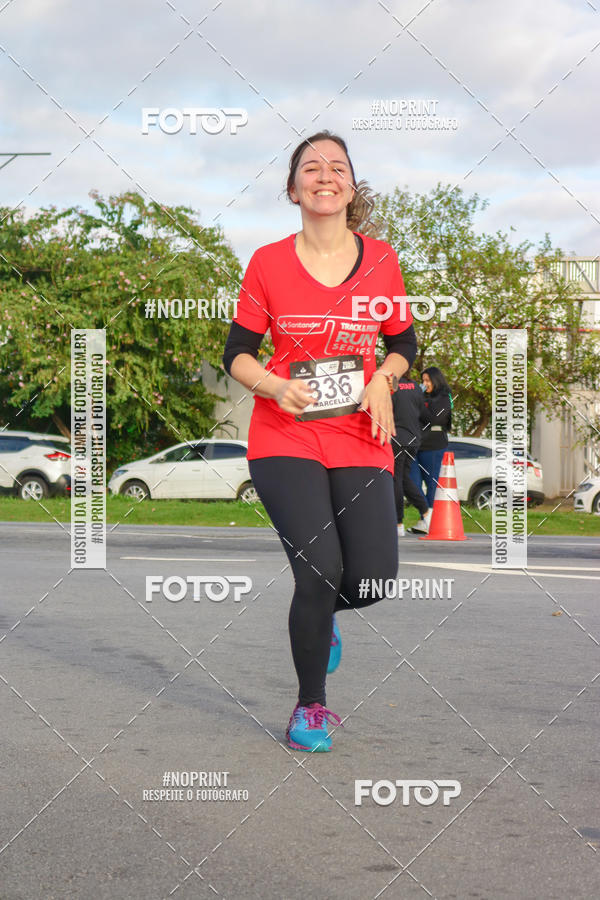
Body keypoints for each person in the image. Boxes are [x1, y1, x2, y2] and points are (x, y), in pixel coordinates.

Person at [223, 130, 417, 752]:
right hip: (285, 433)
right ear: (293, 187)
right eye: (311, 167)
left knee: (372, 580)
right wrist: (275, 387)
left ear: (351, 187)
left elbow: (404, 346)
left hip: (361, 433)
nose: (324, 175)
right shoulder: (268, 262)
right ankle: (310, 708)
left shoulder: (382, 260)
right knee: (320, 571)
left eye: (337, 167)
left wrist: (386, 378)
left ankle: (321, 621)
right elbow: (237, 355)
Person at [408, 366, 452, 534]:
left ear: (436, 380)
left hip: (433, 445)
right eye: (423, 380)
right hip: (414, 444)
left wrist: (418, 405)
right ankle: (426, 515)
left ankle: (429, 519)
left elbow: (435, 418)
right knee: (412, 482)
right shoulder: (421, 396)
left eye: (428, 380)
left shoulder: (444, 397)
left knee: (432, 482)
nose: (425, 384)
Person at [391, 373, 430, 536]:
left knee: (396, 480)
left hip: (397, 437)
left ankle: (398, 523)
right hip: (414, 439)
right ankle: (426, 512)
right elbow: (424, 415)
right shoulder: (415, 387)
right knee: (404, 477)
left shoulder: (392, 386)